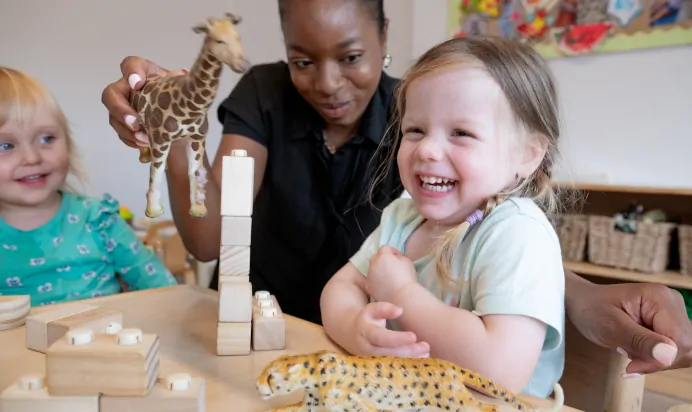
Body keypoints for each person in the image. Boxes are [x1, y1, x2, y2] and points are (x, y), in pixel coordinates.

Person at [99, 0, 692, 377]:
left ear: (384, 36)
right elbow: (220, 241)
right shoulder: (402, 206)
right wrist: (173, 133)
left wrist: (399, 294)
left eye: (352, 56)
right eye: (302, 60)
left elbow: (490, 301)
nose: (328, 83)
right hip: (323, 350)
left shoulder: (437, 115)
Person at [321, 35, 567, 397]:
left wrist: (400, 293)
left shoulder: (517, 233)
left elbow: (500, 371)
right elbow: (339, 289)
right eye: (415, 130)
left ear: (528, 154)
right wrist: (356, 328)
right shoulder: (400, 219)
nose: (428, 150)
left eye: (461, 133)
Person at [0, 66, 178, 306]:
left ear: (69, 143)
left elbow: (166, 294)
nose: (32, 158)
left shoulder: (99, 220)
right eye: (6, 146)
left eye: (46, 139)